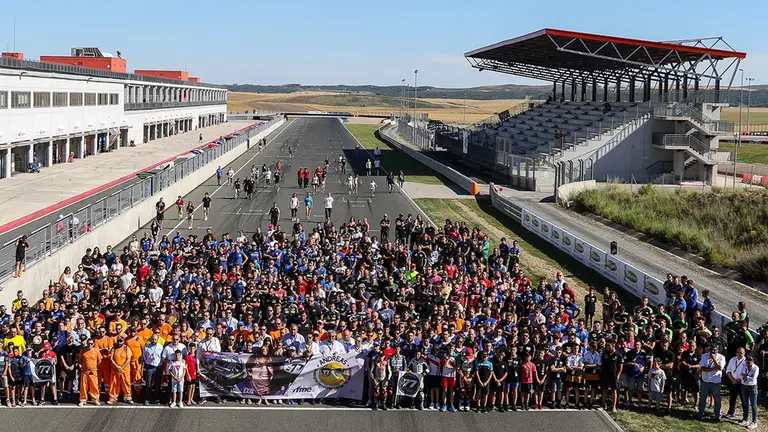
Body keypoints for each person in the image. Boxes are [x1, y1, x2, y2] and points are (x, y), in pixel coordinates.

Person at [698, 344, 725, 422]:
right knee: (703, 398)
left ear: (718, 350)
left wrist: (714, 358)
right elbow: (702, 368)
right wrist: (713, 368)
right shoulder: (704, 356)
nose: (713, 351)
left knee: (717, 399)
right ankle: (701, 414)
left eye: (715, 350)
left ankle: (717, 415)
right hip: (705, 380)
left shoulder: (721, 357)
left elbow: (720, 367)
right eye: (712, 349)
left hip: (716, 381)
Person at [740, 355, 759, 429]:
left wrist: (746, 377)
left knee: (753, 404)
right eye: (747, 363)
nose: (748, 364)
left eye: (749, 363)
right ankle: (745, 419)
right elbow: (741, 373)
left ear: (752, 362)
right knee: (745, 402)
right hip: (744, 386)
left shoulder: (755, 368)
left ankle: (754, 422)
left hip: (752, 387)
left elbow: (754, 378)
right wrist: (745, 377)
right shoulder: (744, 365)